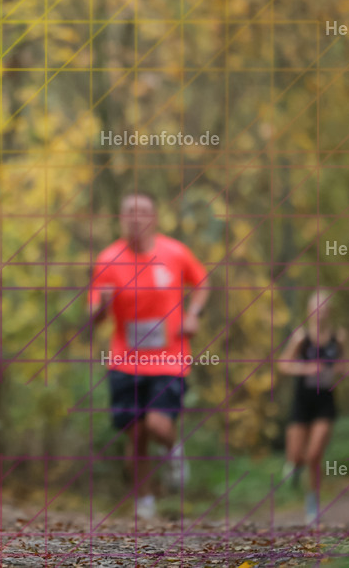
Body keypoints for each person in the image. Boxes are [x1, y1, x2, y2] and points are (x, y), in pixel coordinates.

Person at [89, 193, 210, 520]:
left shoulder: (175, 252)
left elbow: (202, 282)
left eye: (142, 212)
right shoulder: (108, 259)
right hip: (125, 360)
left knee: (157, 423)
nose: (136, 217)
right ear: (121, 218)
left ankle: (172, 449)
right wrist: (102, 306)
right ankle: (144, 501)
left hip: (169, 358)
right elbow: (94, 316)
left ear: (154, 218)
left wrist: (193, 315)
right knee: (137, 434)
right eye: (129, 211)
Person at [278, 288, 349, 524]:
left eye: (324, 308)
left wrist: (338, 369)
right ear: (309, 311)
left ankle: (312, 503)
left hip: (325, 402)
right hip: (302, 401)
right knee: (295, 456)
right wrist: (306, 369)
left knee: (314, 454)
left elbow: (348, 366)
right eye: (316, 308)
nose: (320, 313)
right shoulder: (301, 337)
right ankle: (295, 466)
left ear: (330, 312)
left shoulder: (338, 338)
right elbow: (283, 364)